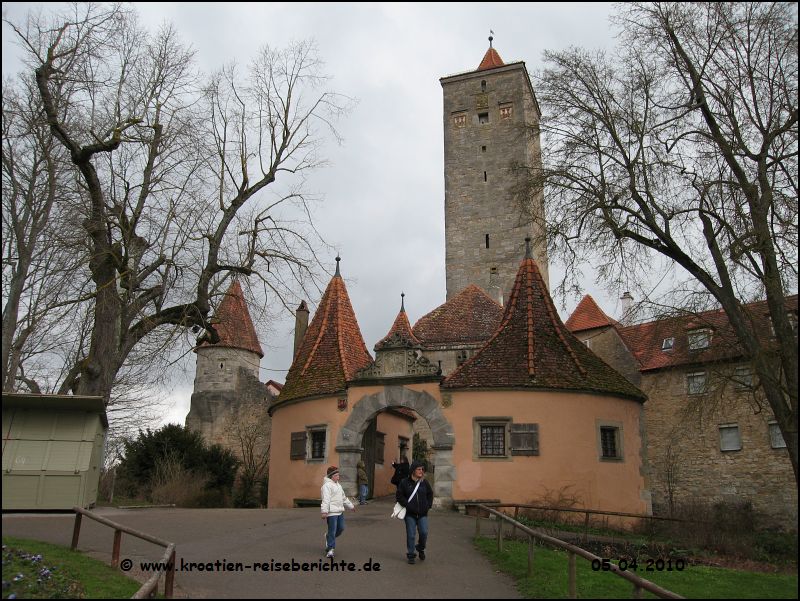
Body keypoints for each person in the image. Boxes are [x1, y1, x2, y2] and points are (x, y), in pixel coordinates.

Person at [396, 461, 433, 564]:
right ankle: (411, 555)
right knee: (411, 534)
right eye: (419, 469)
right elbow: (399, 496)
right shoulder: (404, 482)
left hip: (422, 514)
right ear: (413, 470)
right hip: (410, 514)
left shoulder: (424, 482)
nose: (421, 471)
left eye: (422, 469)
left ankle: (420, 548)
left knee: (424, 532)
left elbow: (430, 494)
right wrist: (408, 506)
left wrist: (428, 506)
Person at [320, 466, 355, 558]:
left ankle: (328, 537)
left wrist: (351, 506)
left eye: (338, 475)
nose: (338, 477)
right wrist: (324, 511)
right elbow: (326, 499)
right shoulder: (326, 486)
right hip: (331, 513)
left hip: (339, 511)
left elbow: (343, 498)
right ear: (331, 476)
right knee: (332, 531)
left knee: (341, 528)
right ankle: (330, 549)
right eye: (336, 475)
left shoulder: (338, 485)